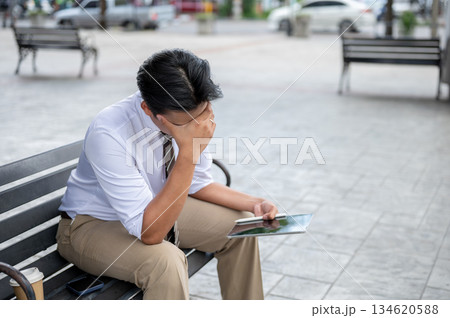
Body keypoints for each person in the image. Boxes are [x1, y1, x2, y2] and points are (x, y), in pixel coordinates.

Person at [56, 49, 279, 300]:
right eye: (186, 124)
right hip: (92, 225)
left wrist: (255, 204)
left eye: (204, 113)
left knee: (241, 227)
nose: (199, 126)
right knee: (166, 262)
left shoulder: (188, 112)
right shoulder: (110, 132)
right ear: (149, 110)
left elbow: (198, 183)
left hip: (153, 207)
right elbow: (151, 233)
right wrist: (187, 154)